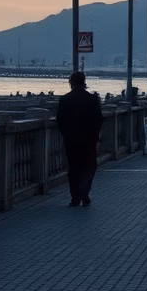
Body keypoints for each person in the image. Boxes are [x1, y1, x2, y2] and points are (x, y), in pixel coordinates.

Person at [56, 72, 104, 207]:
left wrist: (66, 133)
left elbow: (59, 120)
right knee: (89, 166)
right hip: (89, 140)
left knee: (73, 168)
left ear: (70, 82)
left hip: (71, 140)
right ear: (84, 82)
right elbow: (99, 119)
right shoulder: (92, 100)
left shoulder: (65, 100)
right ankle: (85, 192)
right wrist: (95, 135)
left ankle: (75, 197)